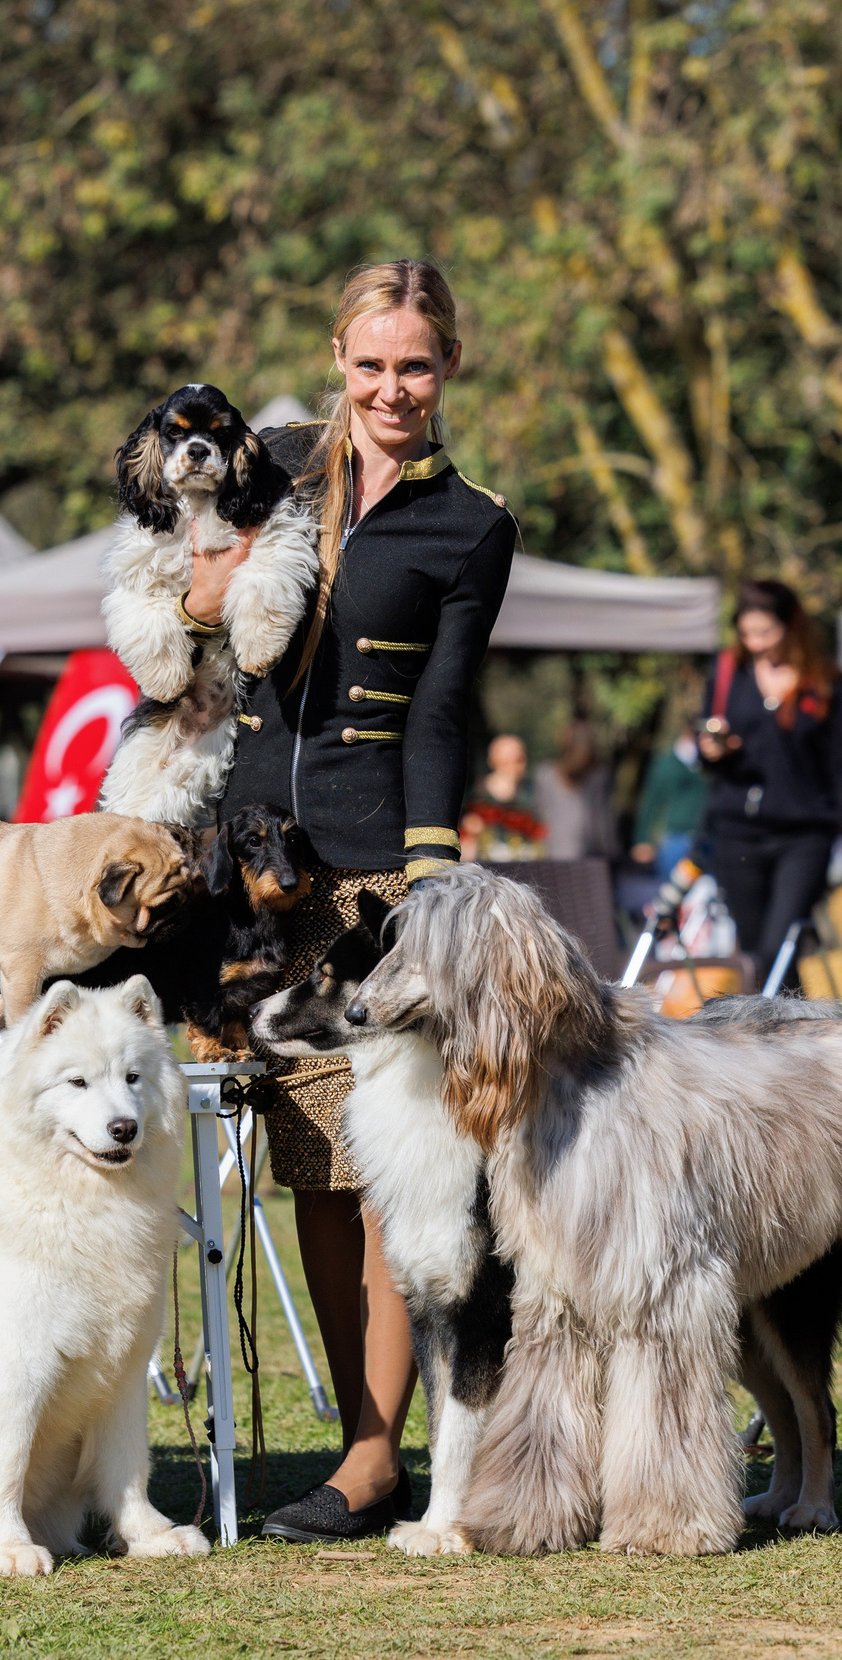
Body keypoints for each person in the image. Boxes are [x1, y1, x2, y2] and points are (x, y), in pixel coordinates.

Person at [200, 259, 515, 1541]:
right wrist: (193, 593)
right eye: (372, 363)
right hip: (256, 861)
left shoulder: (472, 524)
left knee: (393, 1171)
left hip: (381, 861)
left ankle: (383, 1456)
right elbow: (174, 589)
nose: (393, 388)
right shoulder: (265, 465)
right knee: (308, 1170)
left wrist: (430, 883)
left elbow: (441, 710)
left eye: (417, 365)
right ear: (338, 357)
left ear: (447, 371)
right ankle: (364, 1441)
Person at [696, 579, 842, 993]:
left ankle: (790, 1039)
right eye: (746, 633)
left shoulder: (825, 683)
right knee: (757, 957)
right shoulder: (727, 674)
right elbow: (706, 752)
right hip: (737, 832)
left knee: (781, 945)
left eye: (765, 633)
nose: (755, 643)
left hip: (803, 835)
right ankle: (783, 1045)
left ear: (790, 627)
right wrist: (713, 750)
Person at [534, 720, 617, 862]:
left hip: (566, 855)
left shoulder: (545, 775)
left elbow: (540, 814)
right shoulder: (599, 776)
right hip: (580, 858)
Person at [632, 728, 709, 877]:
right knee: (670, 890)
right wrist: (642, 839)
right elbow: (651, 802)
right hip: (675, 838)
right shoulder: (666, 763)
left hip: (703, 837)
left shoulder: (706, 764)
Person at [459, 732, 541, 860]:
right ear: (494, 761)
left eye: (520, 760)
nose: (517, 767)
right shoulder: (475, 798)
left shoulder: (531, 797)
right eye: (508, 761)